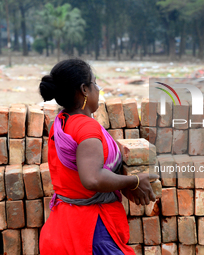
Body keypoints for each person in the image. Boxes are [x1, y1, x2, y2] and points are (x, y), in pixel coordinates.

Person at [38, 58, 158, 255]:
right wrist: (134, 181)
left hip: (63, 225)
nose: (98, 89)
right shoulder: (87, 128)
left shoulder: (60, 122)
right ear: (84, 89)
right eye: (95, 84)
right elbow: (92, 178)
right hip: (90, 232)